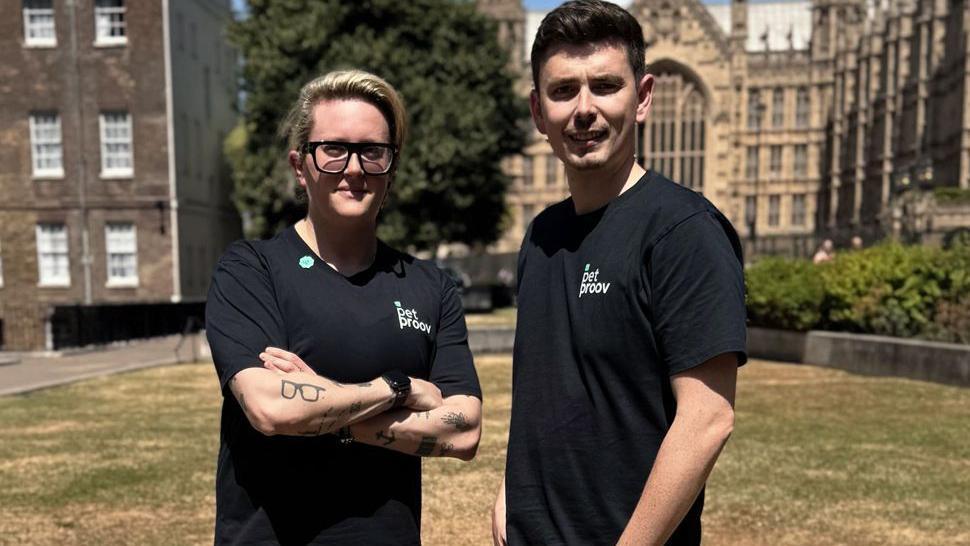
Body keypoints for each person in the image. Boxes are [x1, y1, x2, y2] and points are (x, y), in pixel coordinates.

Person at [492, 2, 747, 544]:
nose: (584, 109)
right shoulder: (540, 237)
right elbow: (546, 392)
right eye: (563, 91)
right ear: (538, 112)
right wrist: (507, 498)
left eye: (605, 86)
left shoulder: (684, 230)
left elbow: (707, 420)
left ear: (643, 98)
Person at [205, 69, 482, 545]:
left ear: (391, 167)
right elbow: (271, 409)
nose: (353, 168)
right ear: (300, 165)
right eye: (333, 149)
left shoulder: (429, 286)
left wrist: (323, 406)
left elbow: (463, 431)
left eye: (372, 151)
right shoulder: (251, 270)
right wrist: (399, 387)